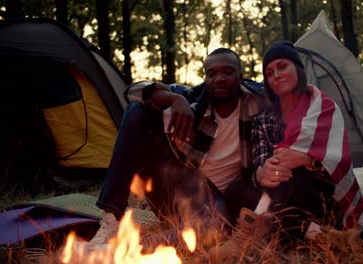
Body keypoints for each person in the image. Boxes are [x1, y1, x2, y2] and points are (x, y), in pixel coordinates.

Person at [81, 48, 266, 252]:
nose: (219, 79)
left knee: (217, 227)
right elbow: (134, 92)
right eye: (211, 74)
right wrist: (174, 99)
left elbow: (291, 94)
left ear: (240, 74)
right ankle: (111, 219)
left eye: (227, 72)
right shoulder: (194, 98)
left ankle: (123, 249)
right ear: (206, 78)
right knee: (137, 111)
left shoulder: (258, 100)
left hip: (217, 201)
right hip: (182, 188)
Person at [210, 41, 363, 259]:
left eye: (282, 66)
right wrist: (261, 173)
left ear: (297, 69)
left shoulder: (322, 107)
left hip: (320, 196)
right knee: (237, 190)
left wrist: (306, 159)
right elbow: (261, 161)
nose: (276, 75)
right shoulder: (264, 119)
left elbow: (338, 163)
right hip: (283, 199)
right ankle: (323, 236)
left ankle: (244, 237)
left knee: (288, 171)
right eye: (270, 72)